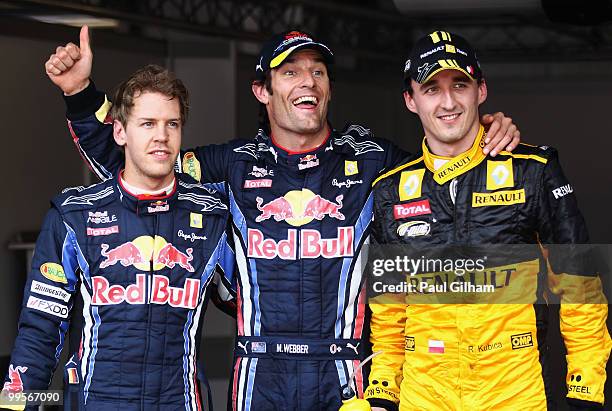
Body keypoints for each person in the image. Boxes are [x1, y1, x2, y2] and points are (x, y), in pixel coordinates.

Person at [44, 27, 521, 410]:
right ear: (262, 91)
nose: (308, 81)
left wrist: (483, 129)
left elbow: (445, 171)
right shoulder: (229, 166)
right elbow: (141, 162)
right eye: (290, 71)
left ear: (330, 87)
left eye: (317, 71)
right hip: (258, 376)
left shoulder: (373, 160)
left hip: (349, 375)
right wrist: (81, 95)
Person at [364, 30, 611, 410]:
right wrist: (382, 391)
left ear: (481, 90)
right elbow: (389, 310)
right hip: (424, 394)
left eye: (459, 84)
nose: (448, 101)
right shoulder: (390, 190)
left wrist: (585, 387)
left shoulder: (535, 172)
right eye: (431, 88)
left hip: (512, 393)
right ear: (410, 101)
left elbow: (580, 287)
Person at [2, 65, 234, 410]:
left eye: (172, 124)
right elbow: (40, 327)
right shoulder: (74, 217)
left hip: (180, 401)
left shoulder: (214, 219)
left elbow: (257, 304)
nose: (162, 136)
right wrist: (16, 403)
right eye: (148, 124)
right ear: (120, 132)